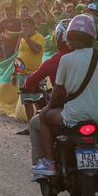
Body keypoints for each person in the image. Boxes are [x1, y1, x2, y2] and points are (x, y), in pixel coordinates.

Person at [32, 14, 98, 177]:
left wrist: (48, 108)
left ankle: (49, 163)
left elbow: (58, 91)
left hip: (73, 115)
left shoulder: (66, 60)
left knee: (43, 118)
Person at [25, 19, 74, 165]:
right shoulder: (95, 57)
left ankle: (45, 162)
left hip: (66, 110)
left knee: (36, 122)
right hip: (93, 110)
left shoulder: (56, 60)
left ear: (58, 38)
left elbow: (30, 82)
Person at [15, 17, 46, 126]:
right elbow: (19, 55)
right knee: (27, 101)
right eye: (22, 26)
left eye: (26, 26)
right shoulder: (23, 39)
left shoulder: (39, 37)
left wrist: (27, 38)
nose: (24, 28)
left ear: (33, 26)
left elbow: (37, 49)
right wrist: (14, 73)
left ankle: (41, 125)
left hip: (35, 74)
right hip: (22, 74)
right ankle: (31, 126)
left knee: (37, 100)